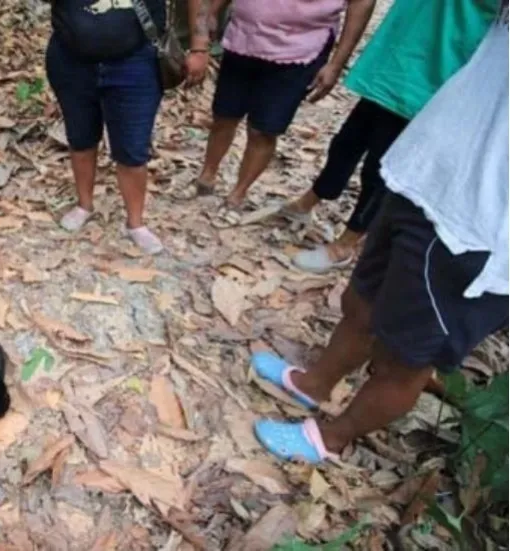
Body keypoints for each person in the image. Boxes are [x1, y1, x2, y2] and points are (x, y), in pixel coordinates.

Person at [250, 10, 508, 464]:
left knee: (403, 358)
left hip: (478, 229)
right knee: (361, 302)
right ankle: (314, 383)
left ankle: (329, 439)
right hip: (424, 174)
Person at [284, 0, 502, 273]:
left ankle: (345, 244)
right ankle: (307, 202)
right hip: (398, 59)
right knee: (346, 144)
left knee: (380, 168)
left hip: (437, 72)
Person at [46, 0, 210, 254]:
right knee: (80, 136)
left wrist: (199, 47)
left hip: (136, 59)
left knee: (133, 147)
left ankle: (135, 223)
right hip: (71, 58)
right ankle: (84, 205)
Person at [191, 0, 374, 207]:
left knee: (265, 129)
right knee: (225, 114)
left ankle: (238, 193)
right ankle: (207, 174)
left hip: (302, 49)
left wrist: (336, 64)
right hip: (245, 37)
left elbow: (362, 3)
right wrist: (212, 12)